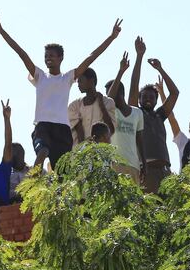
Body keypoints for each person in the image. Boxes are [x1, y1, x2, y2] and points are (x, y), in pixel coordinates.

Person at [0, 11, 122, 169]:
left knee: (62, 169)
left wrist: (112, 37)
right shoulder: (40, 76)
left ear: (60, 58)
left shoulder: (67, 78)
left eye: (52, 55)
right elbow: (21, 53)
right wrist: (1, 31)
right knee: (43, 150)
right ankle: (32, 179)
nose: (48, 58)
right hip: (43, 126)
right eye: (46, 56)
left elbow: (91, 57)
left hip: (62, 129)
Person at [128, 37, 179, 193]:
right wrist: (139, 56)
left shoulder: (159, 116)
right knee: (149, 209)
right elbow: (134, 87)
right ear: (139, 99)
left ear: (157, 100)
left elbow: (175, 93)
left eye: (152, 97)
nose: (148, 99)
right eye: (145, 97)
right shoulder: (136, 113)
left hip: (165, 171)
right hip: (147, 170)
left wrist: (160, 69)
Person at [107, 51, 146, 184]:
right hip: (114, 164)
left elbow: (140, 141)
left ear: (120, 93)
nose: (108, 98)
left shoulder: (137, 113)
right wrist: (121, 71)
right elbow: (109, 99)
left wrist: (143, 164)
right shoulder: (112, 112)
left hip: (133, 165)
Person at [68, 68, 116, 144]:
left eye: (81, 80)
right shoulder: (74, 105)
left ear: (91, 81)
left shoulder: (108, 102)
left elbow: (110, 130)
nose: (78, 84)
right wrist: (84, 151)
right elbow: (79, 132)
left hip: (101, 152)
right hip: (80, 151)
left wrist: (101, 105)